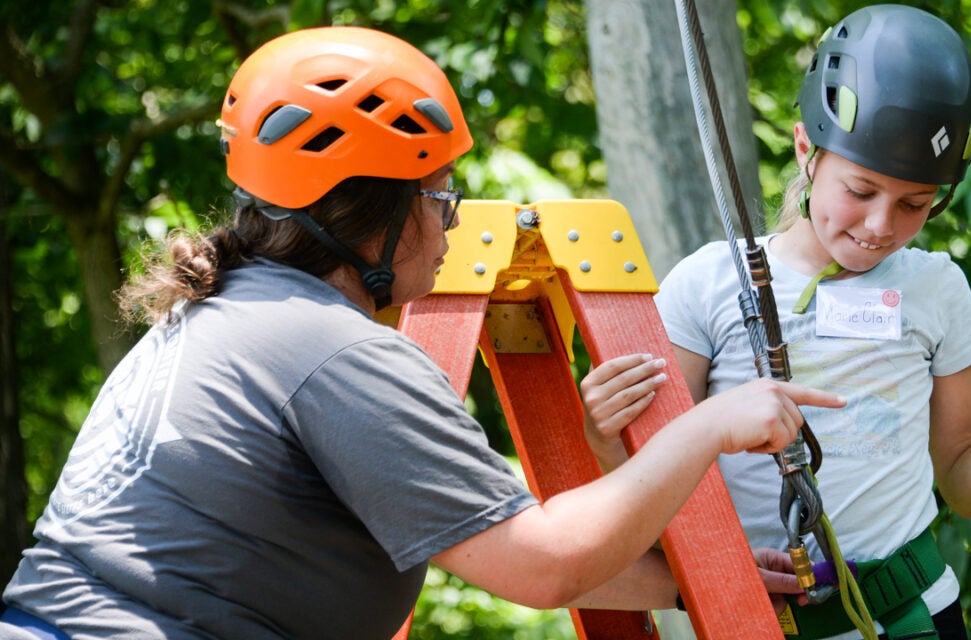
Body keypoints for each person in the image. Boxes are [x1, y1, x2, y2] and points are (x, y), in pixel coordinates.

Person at [0, 26, 843, 640]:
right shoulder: (334, 353)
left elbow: (473, 537)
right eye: (437, 200)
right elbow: (543, 564)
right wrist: (709, 426)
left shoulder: (234, 315)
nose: (449, 228)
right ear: (372, 212)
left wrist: (688, 581)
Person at [582, 5, 971, 640]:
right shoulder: (711, 283)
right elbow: (650, 474)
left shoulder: (934, 286)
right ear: (807, 151)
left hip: (911, 615)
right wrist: (604, 438)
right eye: (859, 191)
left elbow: (963, 484)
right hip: (749, 619)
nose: (882, 225)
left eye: (915, 204)